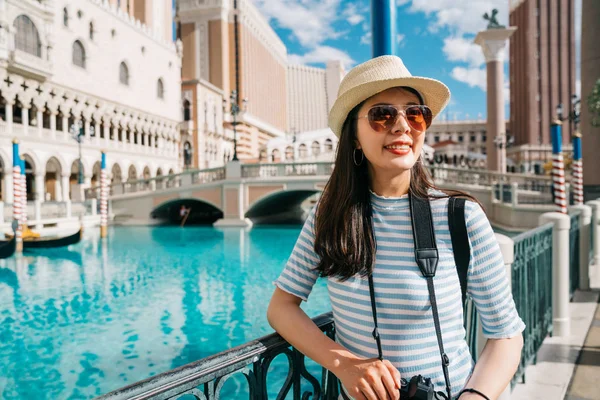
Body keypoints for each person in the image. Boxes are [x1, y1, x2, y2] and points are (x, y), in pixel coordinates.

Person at [267, 56, 524, 400]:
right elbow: (281, 307)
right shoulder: (328, 217)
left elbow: (505, 333)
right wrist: (344, 364)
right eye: (382, 114)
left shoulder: (460, 217)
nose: (403, 126)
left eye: (415, 114)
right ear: (354, 137)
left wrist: (475, 397)